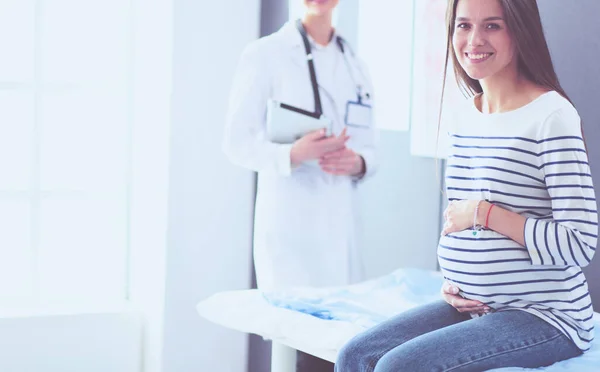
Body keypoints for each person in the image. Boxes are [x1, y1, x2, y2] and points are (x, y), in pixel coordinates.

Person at [335, 0, 597, 371]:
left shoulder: (552, 116)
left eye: (492, 26)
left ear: (520, 31)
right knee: (355, 355)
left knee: (399, 367)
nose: (474, 40)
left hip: (545, 316)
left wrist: (484, 214)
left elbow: (580, 241)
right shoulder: (463, 115)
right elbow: (457, 222)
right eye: (463, 26)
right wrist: (455, 284)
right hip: (474, 308)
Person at [224, 1, 377, 370]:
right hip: (290, 227)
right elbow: (236, 143)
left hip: (339, 224)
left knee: (336, 346)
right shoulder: (266, 54)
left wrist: (358, 163)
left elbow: (371, 146)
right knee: (291, 346)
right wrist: (292, 154)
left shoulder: (355, 63)